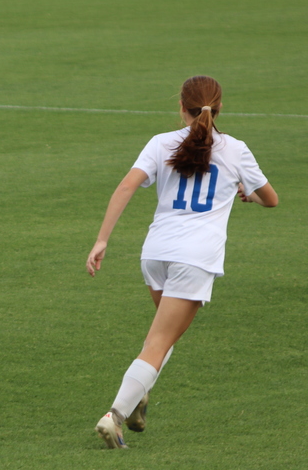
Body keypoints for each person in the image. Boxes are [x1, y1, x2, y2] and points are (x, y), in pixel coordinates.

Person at [86, 76, 278, 449]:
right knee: (160, 341)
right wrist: (247, 196)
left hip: (155, 253)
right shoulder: (236, 150)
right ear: (220, 108)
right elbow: (270, 199)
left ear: (181, 107)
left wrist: (102, 239)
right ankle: (115, 415)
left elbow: (126, 186)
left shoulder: (160, 143)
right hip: (196, 258)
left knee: (161, 336)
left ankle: (140, 398)